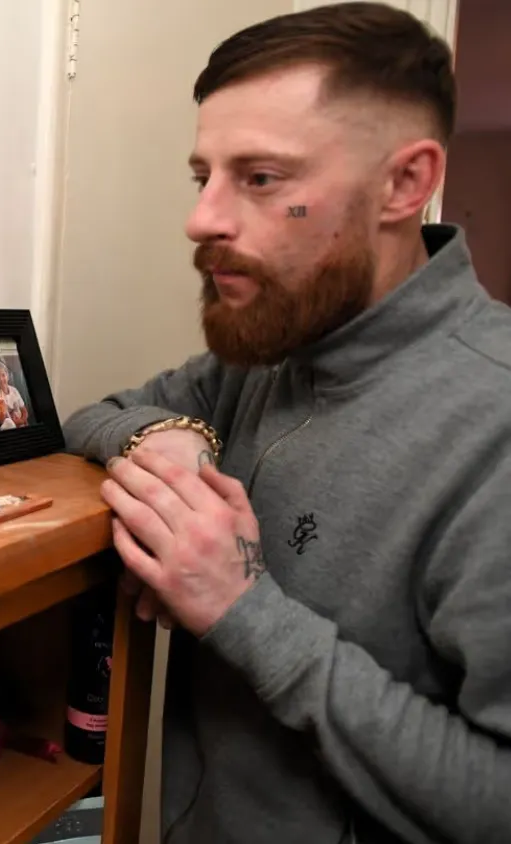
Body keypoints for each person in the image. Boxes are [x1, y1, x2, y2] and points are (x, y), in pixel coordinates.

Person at [61, 4, 511, 843]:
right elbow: (98, 415)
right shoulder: (276, 344)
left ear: (404, 185)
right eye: (203, 177)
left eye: (260, 178)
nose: (202, 219)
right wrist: (169, 440)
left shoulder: (494, 423)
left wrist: (238, 608)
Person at [0, 360, 28, 430]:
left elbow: (24, 411)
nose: (1, 379)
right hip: (10, 425)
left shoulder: (14, 390)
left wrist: (22, 420)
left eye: (3, 375)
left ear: (7, 376)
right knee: (8, 422)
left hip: (20, 422)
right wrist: (2, 411)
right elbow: (1, 421)